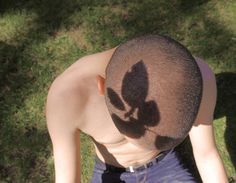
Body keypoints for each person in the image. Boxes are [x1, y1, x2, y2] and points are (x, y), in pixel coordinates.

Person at [46, 35, 228, 183]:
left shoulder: (197, 81)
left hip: (165, 162)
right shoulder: (67, 98)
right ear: (103, 87)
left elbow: (206, 153)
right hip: (112, 171)